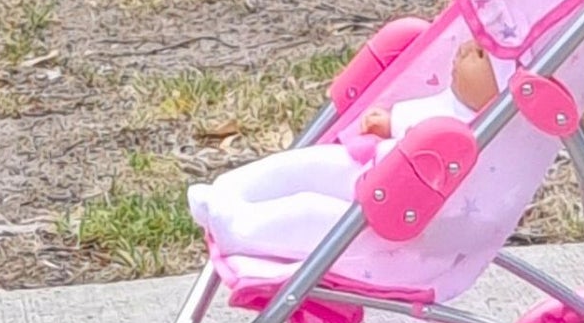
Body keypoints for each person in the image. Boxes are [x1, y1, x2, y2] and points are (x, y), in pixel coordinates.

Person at [188, 43, 499, 257]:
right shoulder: (464, 105)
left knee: (309, 210)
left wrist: (395, 124)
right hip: (371, 173)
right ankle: (228, 190)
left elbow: (435, 138)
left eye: (480, 54)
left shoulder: (486, 132)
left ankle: (238, 229)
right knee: (308, 165)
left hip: (388, 213)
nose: (464, 48)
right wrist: (392, 123)